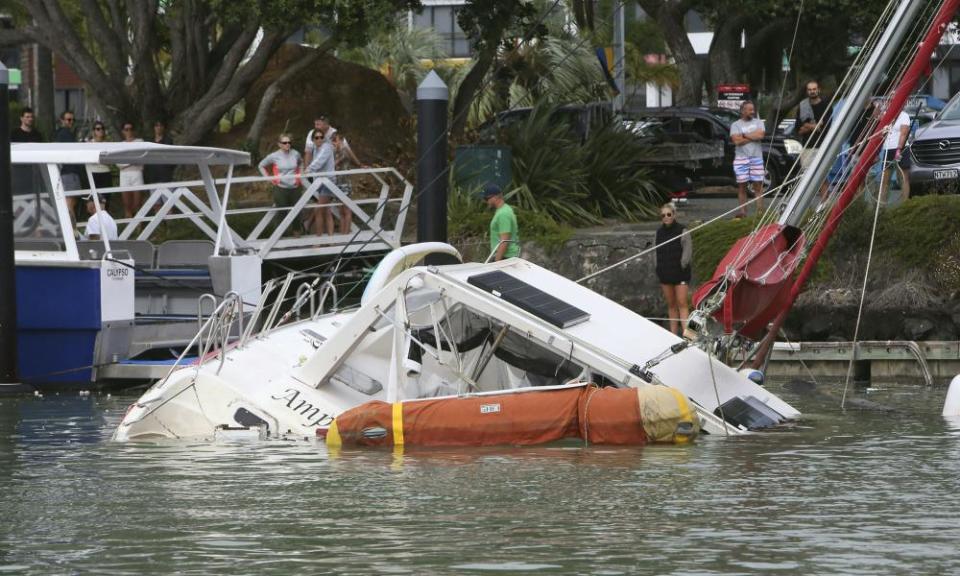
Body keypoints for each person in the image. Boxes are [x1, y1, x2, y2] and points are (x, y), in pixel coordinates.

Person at [654, 204, 692, 336]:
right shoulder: (659, 232)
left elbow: (687, 252)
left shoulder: (683, 230)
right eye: (663, 215)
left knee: (682, 303)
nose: (666, 217)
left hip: (680, 274)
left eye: (669, 214)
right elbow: (656, 251)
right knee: (671, 304)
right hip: (665, 274)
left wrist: (682, 265)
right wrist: (658, 267)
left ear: (674, 215)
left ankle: (687, 336)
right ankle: (673, 335)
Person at [796, 80, 832, 201]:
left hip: (822, 146)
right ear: (807, 91)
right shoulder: (802, 106)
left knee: (822, 176)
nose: (812, 91)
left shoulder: (826, 105)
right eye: (810, 89)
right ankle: (806, 206)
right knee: (806, 178)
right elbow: (798, 129)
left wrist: (808, 126)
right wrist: (815, 126)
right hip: (807, 147)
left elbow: (825, 127)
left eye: (814, 89)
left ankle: (824, 203)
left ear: (818, 90)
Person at [729, 101, 765, 218]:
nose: (752, 112)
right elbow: (736, 141)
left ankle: (760, 212)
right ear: (743, 111)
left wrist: (743, 135)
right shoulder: (735, 125)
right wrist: (752, 136)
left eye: (753, 109)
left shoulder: (759, 122)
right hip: (741, 158)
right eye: (749, 110)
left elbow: (760, 135)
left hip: (756, 157)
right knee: (742, 186)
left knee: (758, 185)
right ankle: (743, 212)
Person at [258, 133, 303, 220]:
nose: (287, 144)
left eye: (289, 142)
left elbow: (301, 163)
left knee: (297, 213)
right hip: (281, 188)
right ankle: (281, 233)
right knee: (282, 213)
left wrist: (300, 175)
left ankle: (296, 233)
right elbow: (261, 166)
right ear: (279, 144)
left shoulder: (296, 153)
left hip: (295, 188)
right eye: (284, 143)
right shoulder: (274, 156)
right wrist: (268, 178)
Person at [54, 110, 84, 220]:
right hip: (68, 172)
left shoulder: (62, 134)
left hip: (67, 172)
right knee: (69, 203)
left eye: (73, 119)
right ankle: (71, 231)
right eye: (68, 119)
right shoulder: (64, 134)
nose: (71, 122)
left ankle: (71, 230)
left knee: (71, 203)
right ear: (62, 120)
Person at [307, 130, 336, 235]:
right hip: (320, 183)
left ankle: (319, 239)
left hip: (328, 183)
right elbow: (316, 162)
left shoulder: (326, 147)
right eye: (316, 137)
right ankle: (330, 238)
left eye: (321, 137)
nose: (319, 139)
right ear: (313, 140)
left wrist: (307, 170)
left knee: (319, 210)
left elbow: (319, 162)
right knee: (327, 210)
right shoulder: (316, 149)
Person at [879, 107, 912, 201]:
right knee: (885, 179)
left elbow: (904, 133)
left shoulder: (904, 116)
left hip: (901, 148)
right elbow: (880, 132)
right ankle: (882, 204)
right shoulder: (886, 115)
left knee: (903, 177)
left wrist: (899, 148)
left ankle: (905, 204)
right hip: (888, 149)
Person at [483, 183, 519, 261]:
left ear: (495, 197)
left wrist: (497, 261)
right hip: (505, 256)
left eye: (486, 198)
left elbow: (504, 241)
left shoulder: (503, 214)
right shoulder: (503, 209)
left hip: (505, 257)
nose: (486, 201)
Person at [118, 122, 145, 218]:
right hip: (124, 175)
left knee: (137, 203)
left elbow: (141, 158)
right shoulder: (120, 145)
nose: (129, 131)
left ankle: (139, 225)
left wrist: (127, 161)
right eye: (126, 129)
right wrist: (133, 161)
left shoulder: (140, 142)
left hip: (137, 173)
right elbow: (119, 163)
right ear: (123, 131)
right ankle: (129, 225)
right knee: (126, 203)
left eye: (131, 129)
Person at [143, 120, 176, 185]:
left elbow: (171, 156)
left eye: (161, 125)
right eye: (157, 125)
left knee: (167, 194)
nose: (159, 127)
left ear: (164, 127)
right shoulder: (149, 141)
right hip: (152, 174)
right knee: (154, 194)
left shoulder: (168, 140)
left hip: (165, 173)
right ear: (154, 128)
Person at [86, 121, 113, 191]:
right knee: (92, 199)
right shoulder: (88, 144)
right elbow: (88, 159)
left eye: (102, 128)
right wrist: (101, 159)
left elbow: (110, 161)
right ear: (94, 131)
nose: (101, 130)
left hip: (105, 173)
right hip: (92, 174)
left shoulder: (108, 144)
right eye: (98, 129)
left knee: (104, 199)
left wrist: (98, 159)